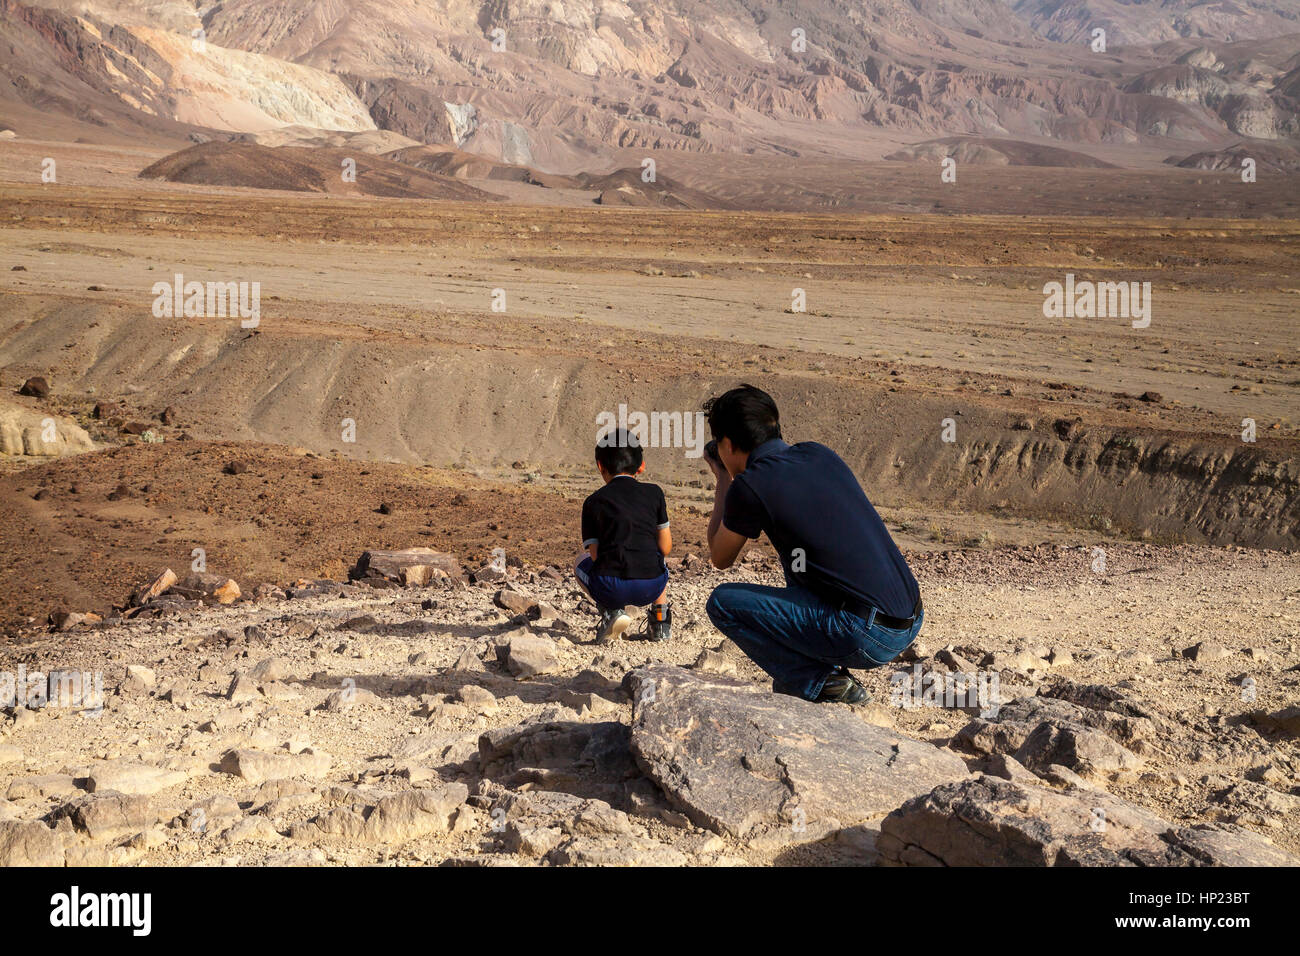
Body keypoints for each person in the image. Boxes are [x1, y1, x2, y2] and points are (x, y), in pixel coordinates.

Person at [702, 384, 921, 703]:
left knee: (722, 603)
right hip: (909, 619)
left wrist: (723, 477)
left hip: (867, 635)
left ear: (728, 444)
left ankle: (821, 682)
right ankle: (817, 675)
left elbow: (719, 556)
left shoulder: (749, 485)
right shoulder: (819, 453)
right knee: (799, 562)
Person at [574, 427, 672, 642]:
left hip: (612, 589)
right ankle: (661, 622)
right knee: (658, 556)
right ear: (641, 466)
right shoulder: (654, 493)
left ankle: (612, 612)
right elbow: (666, 547)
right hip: (652, 586)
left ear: (600, 466)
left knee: (580, 563)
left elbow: (595, 556)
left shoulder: (593, 501)